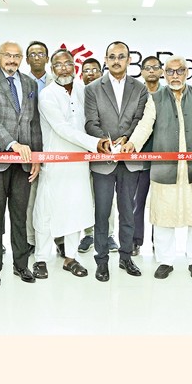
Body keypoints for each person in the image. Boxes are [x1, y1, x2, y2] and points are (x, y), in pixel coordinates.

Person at [125, 54, 192, 279]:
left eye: (180, 71)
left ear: (187, 72)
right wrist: (131, 144)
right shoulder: (155, 98)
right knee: (163, 216)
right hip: (165, 169)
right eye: (171, 71)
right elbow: (145, 125)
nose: (175, 75)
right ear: (164, 74)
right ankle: (165, 260)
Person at [0, 41, 42, 288]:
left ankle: (21, 265)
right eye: (8, 55)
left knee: (20, 216)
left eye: (16, 56)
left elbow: (33, 122)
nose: (12, 60)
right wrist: (12, 144)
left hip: (24, 161)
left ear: (21, 58)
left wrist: (37, 157)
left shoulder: (30, 83)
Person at [34, 49, 107, 279]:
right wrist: (95, 144)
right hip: (55, 161)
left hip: (80, 162)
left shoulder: (83, 90)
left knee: (76, 209)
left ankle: (71, 258)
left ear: (74, 66)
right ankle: (40, 259)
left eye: (68, 63)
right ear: (52, 68)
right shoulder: (47, 95)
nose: (64, 68)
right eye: (58, 64)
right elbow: (62, 128)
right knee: (47, 210)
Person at [84, 40, 149, 281]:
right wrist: (107, 141)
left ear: (129, 60)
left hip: (129, 159)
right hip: (103, 159)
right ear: (106, 60)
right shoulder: (92, 88)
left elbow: (139, 120)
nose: (116, 61)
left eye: (121, 56)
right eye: (112, 57)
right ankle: (101, 261)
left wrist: (127, 138)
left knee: (127, 212)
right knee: (102, 213)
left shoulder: (140, 88)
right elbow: (90, 122)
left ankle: (125, 257)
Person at [76, 57, 118, 255]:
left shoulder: (106, 94)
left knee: (106, 197)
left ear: (101, 73)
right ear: (81, 74)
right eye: (86, 70)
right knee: (85, 196)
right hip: (79, 155)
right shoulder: (76, 94)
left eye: (94, 70)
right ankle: (88, 234)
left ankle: (108, 235)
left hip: (103, 152)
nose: (90, 73)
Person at [132, 55, 163, 255]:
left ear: (161, 71)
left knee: (160, 203)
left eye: (155, 67)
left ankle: (158, 242)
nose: (151, 71)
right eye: (147, 67)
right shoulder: (135, 94)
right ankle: (135, 241)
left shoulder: (168, 94)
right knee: (137, 202)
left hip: (163, 159)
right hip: (139, 158)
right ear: (142, 71)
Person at [23, 41, 52, 250]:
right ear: (26, 60)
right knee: (30, 198)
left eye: (41, 54)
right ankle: (31, 240)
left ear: (47, 58)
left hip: (53, 145)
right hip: (29, 145)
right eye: (32, 54)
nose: (37, 57)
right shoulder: (21, 83)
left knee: (54, 196)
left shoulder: (57, 82)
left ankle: (59, 240)